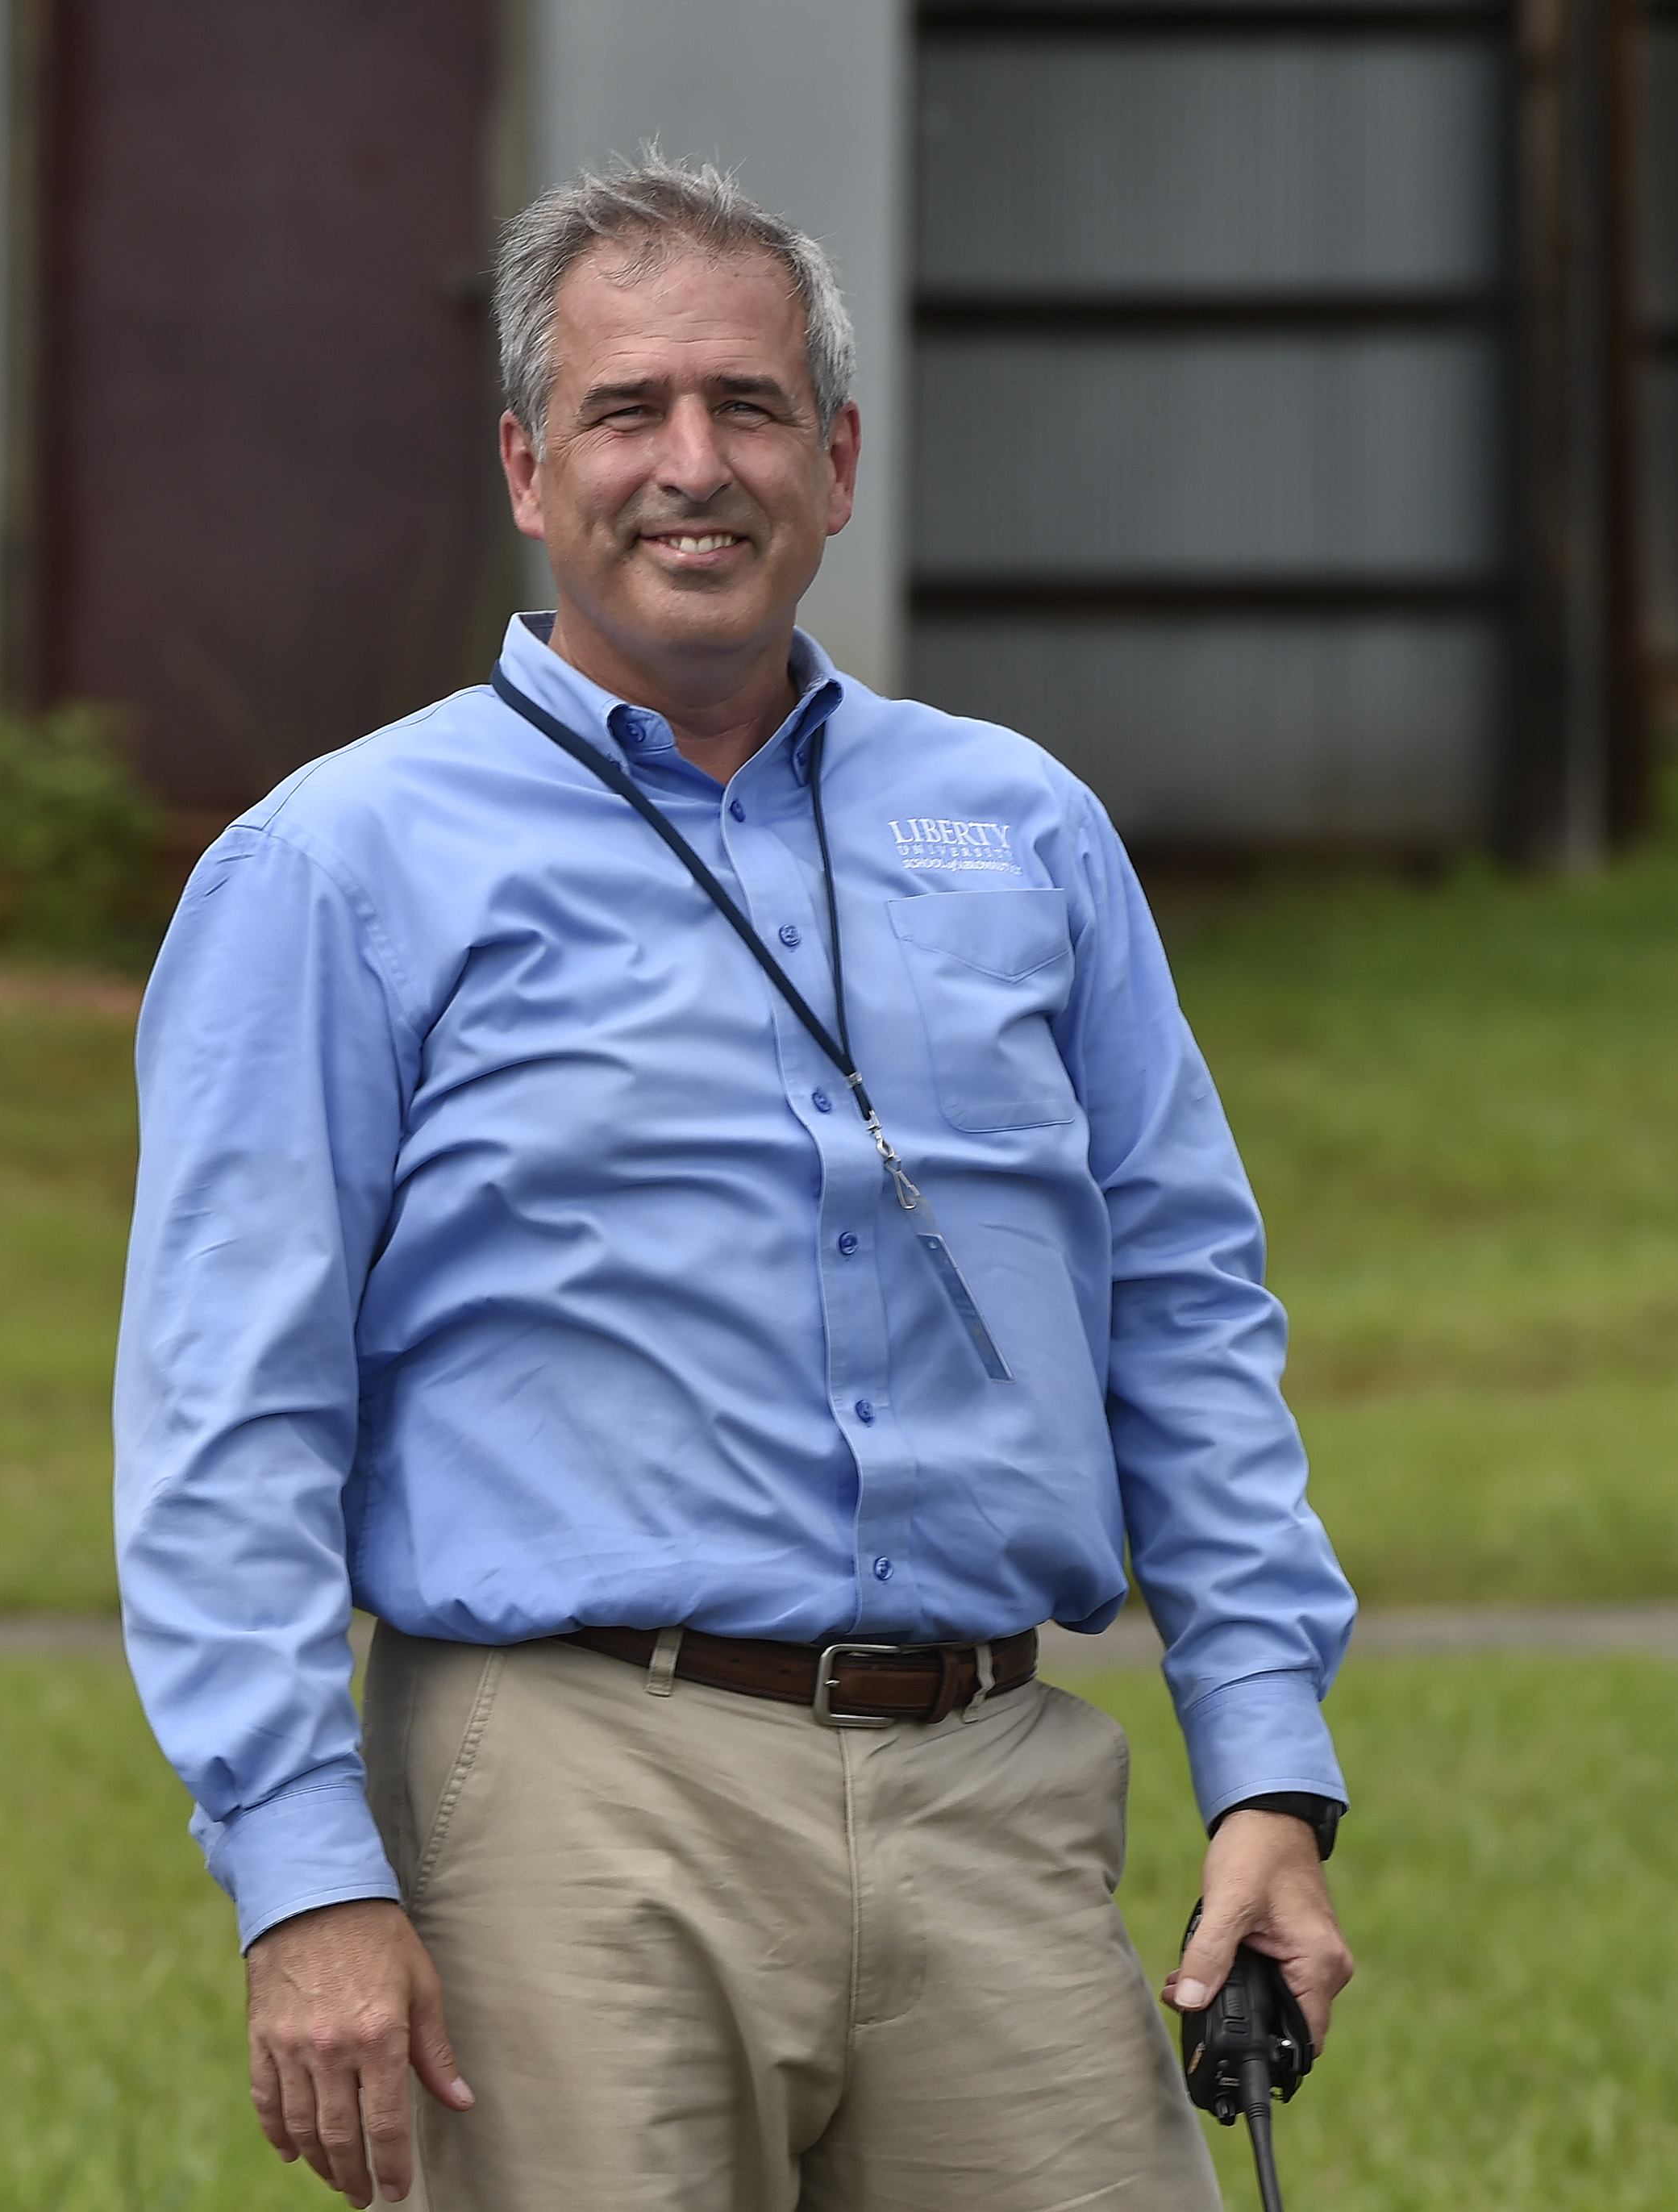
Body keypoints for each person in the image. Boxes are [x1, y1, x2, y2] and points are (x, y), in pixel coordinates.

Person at [114, 160, 1358, 2211]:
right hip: (575, 1802)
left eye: (749, 406)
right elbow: (228, 1410)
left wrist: (1271, 1766)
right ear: (528, 462)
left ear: (839, 459)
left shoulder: (1026, 828)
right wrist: (303, 1871)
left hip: (998, 1788)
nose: (691, 465)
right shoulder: (338, 865)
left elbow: (1187, 1313)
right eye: (627, 411)